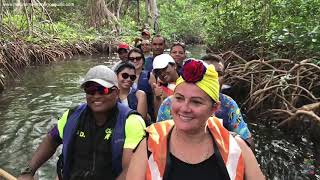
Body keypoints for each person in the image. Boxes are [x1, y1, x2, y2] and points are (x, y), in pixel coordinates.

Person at [126, 59, 265, 180]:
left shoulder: (236, 147)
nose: (185, 108)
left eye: (196, 102)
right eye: (179, 98)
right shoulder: (149, 144)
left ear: (214, 108)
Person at [18, 65, 146, 180]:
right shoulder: (71, 116)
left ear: (116, 92)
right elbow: (51, 139)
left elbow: (130, 171)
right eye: (90, 90)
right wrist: (29, 171)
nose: (96, 95)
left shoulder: (132, 121)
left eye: (103, 90)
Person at [157, 54, 254, 148]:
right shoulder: (168, 104)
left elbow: (247, 140)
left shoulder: (229, 104)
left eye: (219, 74)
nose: (214, 78)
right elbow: (158, 138)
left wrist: (229, 141)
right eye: (208, 73)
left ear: (215, 107)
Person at [127, 48, 156, 123]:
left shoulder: (149, 76)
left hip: (147, 115)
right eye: (131, 59)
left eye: (138, 58)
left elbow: (155, 98)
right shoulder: (123, 77)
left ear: (143, 60)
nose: (135, 61)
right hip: (128, 113)